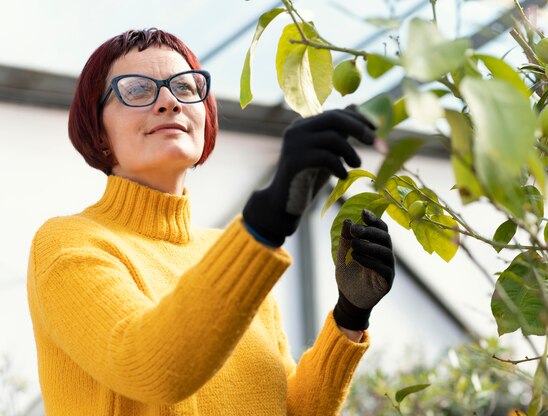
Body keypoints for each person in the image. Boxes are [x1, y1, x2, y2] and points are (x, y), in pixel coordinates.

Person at [26, 28, 395, 415]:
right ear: (98, 130)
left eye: (185, 88)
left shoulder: (234, 255)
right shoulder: (69, 244)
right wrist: (263, 224)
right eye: (136, 90)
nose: (169, 101)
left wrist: (349, 316)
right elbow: (152, 367)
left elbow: (287, 409)